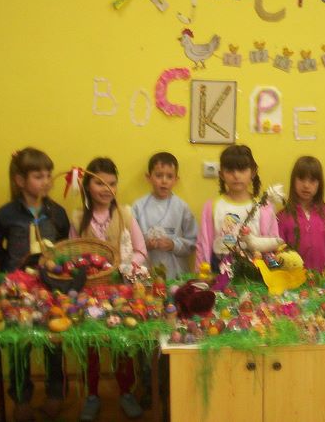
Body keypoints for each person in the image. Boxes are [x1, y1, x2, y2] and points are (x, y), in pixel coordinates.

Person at [0, 147, 69, 422]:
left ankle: (55, 394)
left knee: (54, 342)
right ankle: (21, 399)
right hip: (17, 291)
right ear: (20, 180)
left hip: (51, 288)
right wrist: (10, 269)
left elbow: (64, 245)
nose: (46, 181)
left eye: (48, 175)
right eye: (38, 176)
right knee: (19, 345)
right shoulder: (6, 214)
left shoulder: (57, 213)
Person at [71, 158, 148, 422]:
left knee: (122, 344)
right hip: (90, 291)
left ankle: (126, 392)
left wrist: (126, 265)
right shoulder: (78, 218)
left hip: (121, 290)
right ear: (87, 186)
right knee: (91, 345)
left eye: (112, 183)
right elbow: (73, 255)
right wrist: (87, 269)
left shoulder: (125, 214)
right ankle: (92, 395)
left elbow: (141, 250)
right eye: (100, 183)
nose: (107, 189)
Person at [195, 144, 279, 272]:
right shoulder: (212, 206)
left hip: (256, 270)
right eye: (230, 170)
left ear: (253, 172)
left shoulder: (264, 208)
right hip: (220, 269)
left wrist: (274, 273)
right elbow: (203, 245)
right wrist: (201, 275)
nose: (236, 175)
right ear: (221, 174)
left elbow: (273, 243)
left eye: (242, 169)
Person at [132, 152, 198, 280]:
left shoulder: (182, 207)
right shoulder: (138, 207)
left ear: (176, 180)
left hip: (176, 274)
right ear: (149, 177)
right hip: (146, 272)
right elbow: (128, 242)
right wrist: (145, 245)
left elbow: (193, 240)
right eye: (158, 175)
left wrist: (173, 245)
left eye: (169, 176)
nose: (164, 181)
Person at [277, 156, 325, 271]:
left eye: (312, 180)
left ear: (319, 184)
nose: (306, 185)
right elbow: (279, 251)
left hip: (324, 278)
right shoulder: (283, 217)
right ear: (293, 181)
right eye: (301, 179)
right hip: (293, 278)